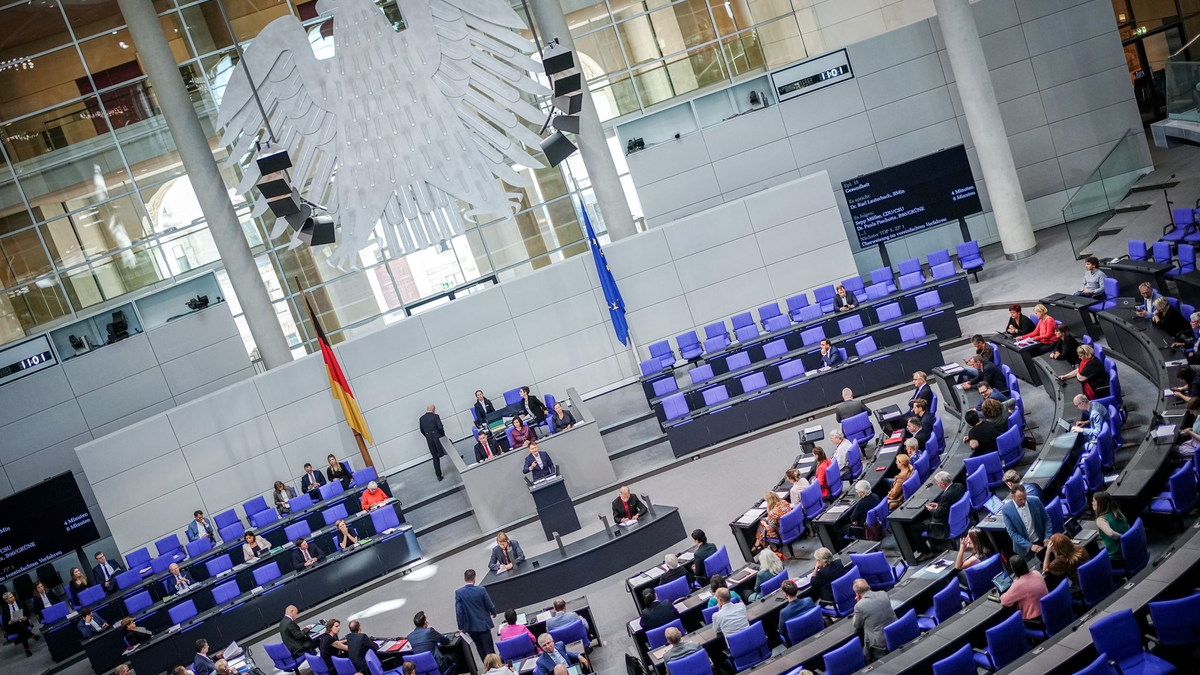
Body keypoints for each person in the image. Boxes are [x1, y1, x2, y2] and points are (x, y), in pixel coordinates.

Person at [1002, 485, 1054, 561]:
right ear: (1012, 497)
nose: (1024, 501)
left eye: (1025, 498)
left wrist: (1047, 536)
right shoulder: (1006, 510)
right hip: (1025, 549)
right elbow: (1013, 533)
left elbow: (1046, 520)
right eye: (1020, 499)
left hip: (1042, 542)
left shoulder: (1035, 501)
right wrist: (1030, 546)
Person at [454, 568, 496, 660]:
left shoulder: (459, 593)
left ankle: (487, 668)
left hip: (470, 627)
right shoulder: (481, 590)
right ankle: (495, 666)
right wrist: (493, 612)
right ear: (474, 579)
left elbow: (458, 611)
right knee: (489, 648)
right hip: (483, 625)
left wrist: (461, 626)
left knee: (479, 647)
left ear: (465, 579)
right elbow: (489, 604)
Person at [852, 579, 895, 661]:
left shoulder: (859, 606)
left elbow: (857, 625)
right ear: (869, 587)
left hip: (880, 644)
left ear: (857, 594)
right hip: (896, 631)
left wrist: (858, 602)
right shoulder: (883, 593)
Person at [1000, 556, 1048, 622]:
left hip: (1035, 620)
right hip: (1048, 610)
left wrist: (1014, 584)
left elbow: (1004, 601)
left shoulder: (1018, 585)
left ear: (1014, 570)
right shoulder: (1036, 573)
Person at [925, 472, 966, 547]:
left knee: (914, 527)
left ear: (943, 484)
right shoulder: (960, 486)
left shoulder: (945, 496)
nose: (937, 485)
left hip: (946, 524)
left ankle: (929, 552)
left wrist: (931, 509)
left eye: (937, 483)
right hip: (961, 517)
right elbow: (952, 503)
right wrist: (939, 505)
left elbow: (938, 514)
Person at [1093, 491, 1130, 564]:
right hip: (1128, 549)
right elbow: (1126, 526)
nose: (1092, 503)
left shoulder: (1101, 519)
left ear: (1100, 504)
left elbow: (1111, 533)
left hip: (1116, 556)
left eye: (1094, 501)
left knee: (1093, 559)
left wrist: (1123, 538)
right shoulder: (1117, 512)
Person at [3, 591, 36, 656]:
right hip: (12, 627)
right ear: (6, 600)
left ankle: (27, 650)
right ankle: (32, 635)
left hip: (23, 623)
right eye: (10, 598)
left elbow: (27, 613)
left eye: (13, 596)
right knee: (17, 624)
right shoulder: (5, 610)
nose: (13, 598)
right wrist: (10, 622)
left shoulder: (21, 603)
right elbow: (5, 623)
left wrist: (25, 617)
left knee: (20, 629)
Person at [419, 404, 447, 481]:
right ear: (433, 410)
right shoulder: (435, 416)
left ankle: (439, 476)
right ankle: (458, 458)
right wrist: (442, 435)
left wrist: (428, 436)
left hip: (429, 439)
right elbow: (440, 427)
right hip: (438, 436)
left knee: (435, 457)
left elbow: (422, 430)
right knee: (449, 446)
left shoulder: (421, 419)